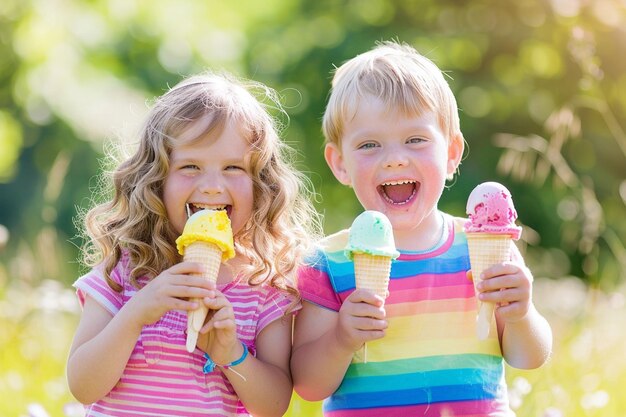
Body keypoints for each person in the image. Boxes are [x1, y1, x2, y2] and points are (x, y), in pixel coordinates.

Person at [291, 41, 553, 416]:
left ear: (451, 154)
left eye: (416, 140)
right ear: (340, 163)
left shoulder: (481, 247)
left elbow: (529, 357)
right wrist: (341, 339)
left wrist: (521, 313)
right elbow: (308, 385)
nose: (395, 159)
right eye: (369, 144)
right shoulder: (328, 262)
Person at [67, 71, 321, 416]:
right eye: (190, 166)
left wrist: (230, 352)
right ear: (156, 179)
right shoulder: (126, 267)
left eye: (233, 167)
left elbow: (274, 405)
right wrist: (137, 312)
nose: (213, 186)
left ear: (261, 184)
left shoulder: (265, 285)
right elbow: (82, 385)